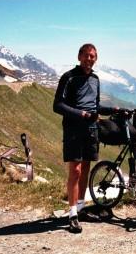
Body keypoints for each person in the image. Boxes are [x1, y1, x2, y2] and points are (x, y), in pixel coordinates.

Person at [53, 43, 127, 233]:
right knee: (75, 170)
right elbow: (58, 105)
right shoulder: (68, 77)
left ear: (96, 58)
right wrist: (82, 115)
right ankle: (72, 215)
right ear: (79, 56)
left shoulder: (95, 79)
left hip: (91, 130)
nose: (89, 59)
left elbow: (95, 107)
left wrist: (114, 110)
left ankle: (80, 208)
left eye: (93, 56)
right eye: (86, 55)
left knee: (86, 167)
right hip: (74, 130)